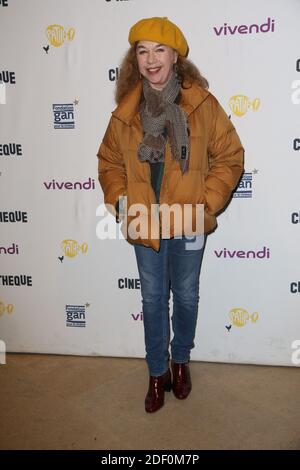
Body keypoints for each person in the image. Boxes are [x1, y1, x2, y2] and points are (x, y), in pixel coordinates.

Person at [97, 17, 244, 413]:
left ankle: (181, 362)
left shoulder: (201, 104)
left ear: (175, 55)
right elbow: (109, 162)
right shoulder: (127, 111)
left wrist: (205, 202)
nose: (150, 59)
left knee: (189, 296)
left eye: (159, 50)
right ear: (135, 59)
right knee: (152, 299)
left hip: (191, 221)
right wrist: (122, 200)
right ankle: (156, 372)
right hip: (145, 222)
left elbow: (230, 158)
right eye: (142, 51)